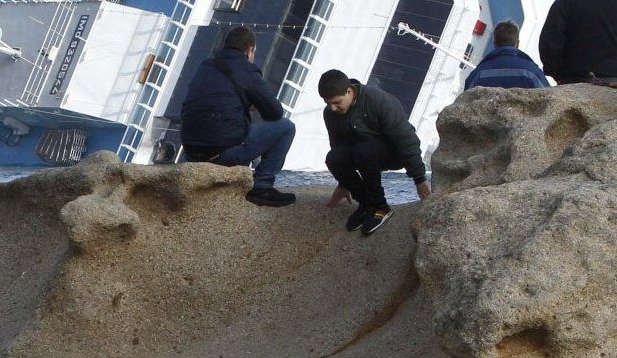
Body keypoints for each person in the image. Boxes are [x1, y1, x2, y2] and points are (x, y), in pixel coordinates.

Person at [178, 25, 297, 206]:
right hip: (222, 153)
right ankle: (262, 186)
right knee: (286, 127)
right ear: (249, 50)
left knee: (232, 127)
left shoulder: (206, 65)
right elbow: (275, 113)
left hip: (191, 152)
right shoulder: (246, 70)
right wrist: (252, 104)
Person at [318, 70, 432, 236]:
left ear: (349, 91)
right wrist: (344, 183)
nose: (332, 108)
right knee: (334, 158)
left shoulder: (378, 100)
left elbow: (406, 139)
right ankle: (365, 204)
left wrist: (419, 179)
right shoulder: (330, 113)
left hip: (393, 151)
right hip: (362, 152)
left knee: (364, 151)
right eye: (328, 103)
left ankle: (380, 207)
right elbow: (338, 146)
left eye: (336, 102)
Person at [463, 20, 551, 90]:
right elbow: (550, 97)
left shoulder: (478, 74)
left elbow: (465, 99)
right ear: (517, 44)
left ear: (495, 44)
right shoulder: (532, 72)